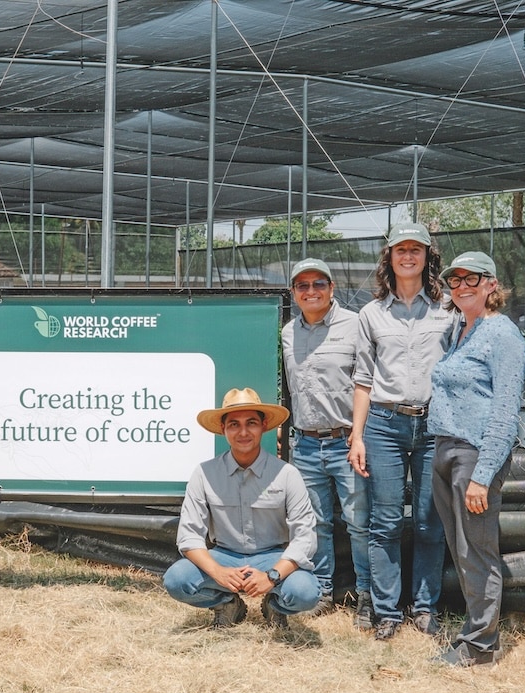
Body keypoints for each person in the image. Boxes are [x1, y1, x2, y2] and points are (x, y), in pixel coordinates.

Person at [348, 222, 455, 641]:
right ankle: (387, 611)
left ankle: (425, 608)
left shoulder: (447, 309)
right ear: (388, 258)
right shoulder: (371, 314)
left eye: (416, 250)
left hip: (434, 425)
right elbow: (362, 379)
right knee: (385, 521)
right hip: (384, 425)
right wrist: (357, 436)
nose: (408, 256)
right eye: (400, 250)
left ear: (428, 256)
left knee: (429, 522)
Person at [428, 252, 525, 667]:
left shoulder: (502, 336)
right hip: (446, 447)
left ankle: (482, 646)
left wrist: (482, 477)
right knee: (461, 548)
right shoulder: (459, 331)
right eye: (455, 280)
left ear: (491, 285)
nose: (462, 286)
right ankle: (473, 633)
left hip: (475, 455)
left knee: (477, 550)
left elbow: (506, 413)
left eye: (472, 278)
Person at [162, 388, 319, 630]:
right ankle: (227, 604)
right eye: (234, 424)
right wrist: (219, 572)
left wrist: (272, 576)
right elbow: (188, 537)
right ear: (223, 429)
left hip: (272, 557)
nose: (243, 432)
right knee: (176, 580)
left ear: (264, 426)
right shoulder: (204, 474)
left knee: (305, 592)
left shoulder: (287, 475)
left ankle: (274, 607)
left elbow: (305, 538)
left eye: (251, 423)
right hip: (224, 555)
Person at [281, 258, 371, 625]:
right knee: (314, 522)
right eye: (302, 286)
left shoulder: (355, 325)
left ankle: (367, 594)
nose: (311, 291)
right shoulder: (287, 332)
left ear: (332, 289)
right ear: (294, 294)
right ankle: (322, 591)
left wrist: (359, 437)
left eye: (319, 284)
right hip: (304, 443)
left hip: (345, 441)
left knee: (359, 522)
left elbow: (366, 381)